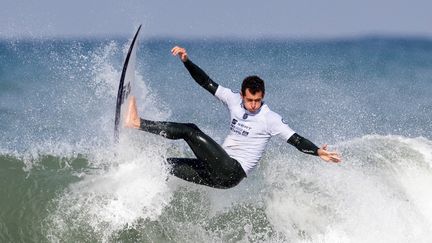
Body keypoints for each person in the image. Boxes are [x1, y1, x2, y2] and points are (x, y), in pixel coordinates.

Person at [125, 46, 341, 189]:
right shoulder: (232, 100)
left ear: (263, 97)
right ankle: (132, 181)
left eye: (257, 100)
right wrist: (186, 61)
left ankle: (137, 122)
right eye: (249, 100)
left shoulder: (270, 118)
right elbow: (206, 82)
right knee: (164, 165)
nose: (254, 105)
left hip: (231, 172)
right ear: (242, 95)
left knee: (190, 130)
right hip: (216, 172)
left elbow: (296, 140)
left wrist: (318, 151)